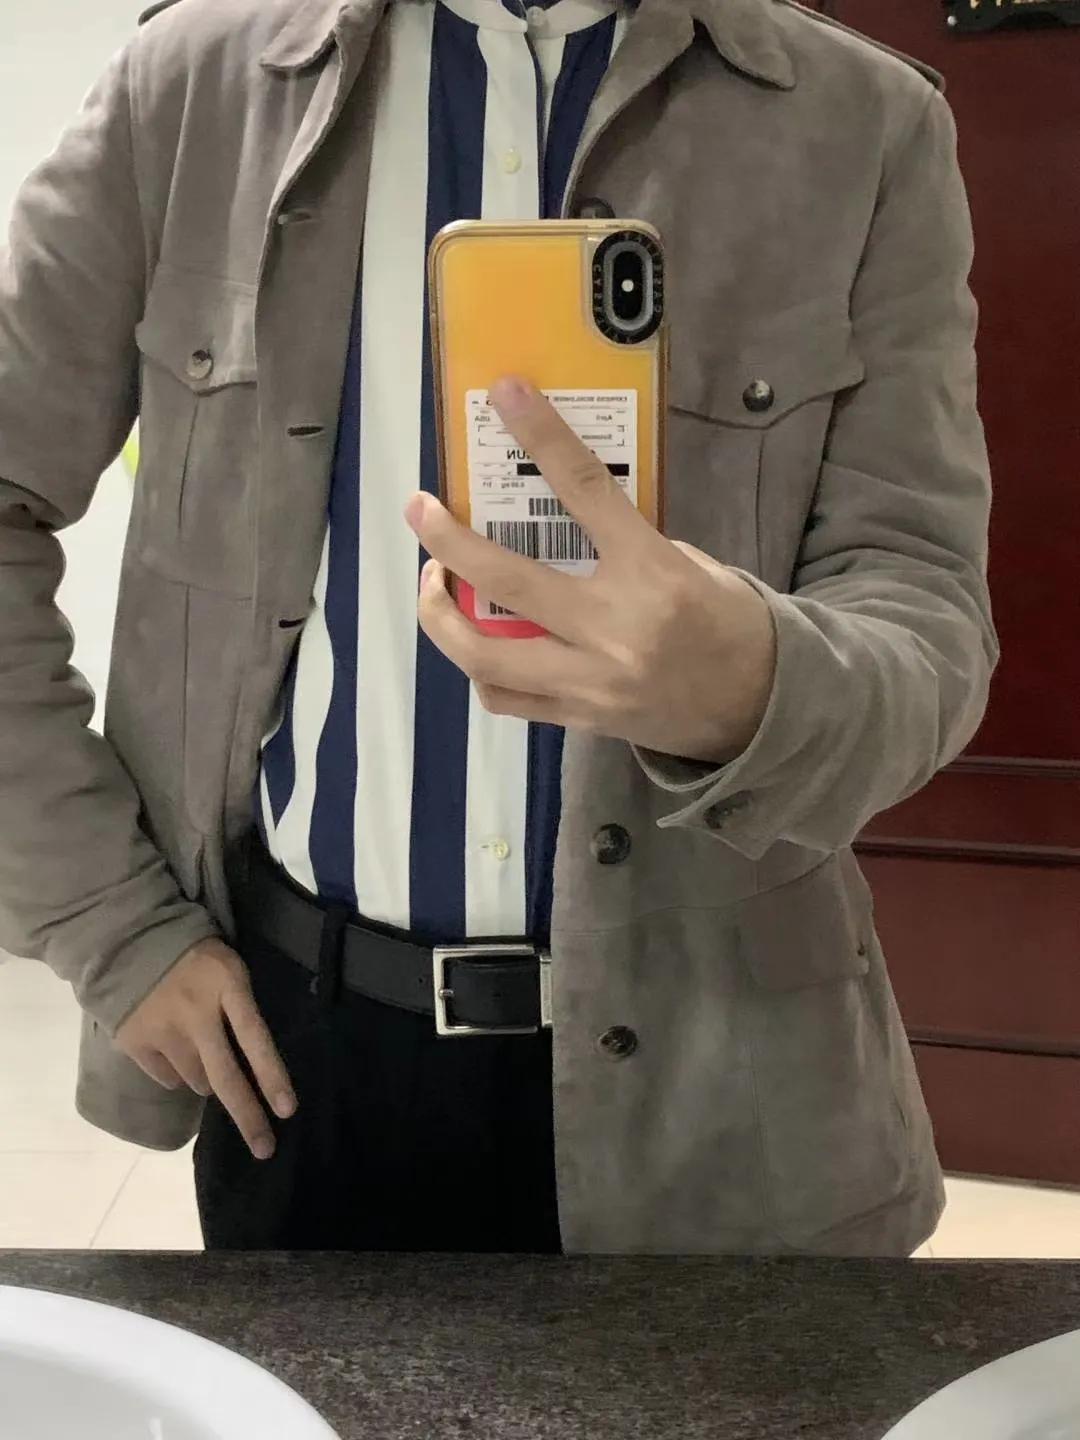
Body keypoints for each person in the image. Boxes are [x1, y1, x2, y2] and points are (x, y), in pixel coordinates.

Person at [0, 0, 996, 1255]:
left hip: (728, 1088)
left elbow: (928, 609)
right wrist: (111, 926)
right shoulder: (190, 90)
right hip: (306, 1062)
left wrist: (756, 685)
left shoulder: (864, 125)